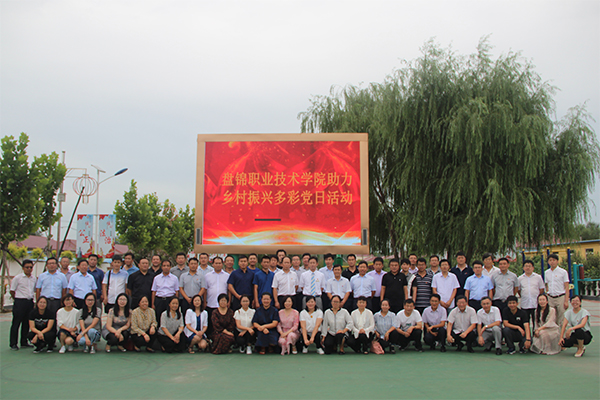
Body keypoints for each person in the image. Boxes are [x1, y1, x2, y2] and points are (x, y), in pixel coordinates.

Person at [9, 259, 36, 350]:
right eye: (27, 267)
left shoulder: (33, 278)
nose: (29, 269)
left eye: (30, 267)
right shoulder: (18, 278)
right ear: (23, 268)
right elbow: (12, 291)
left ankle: (24, 342)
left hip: (29, 302)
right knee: (16, 323)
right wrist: (17, 299)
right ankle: (13, 343)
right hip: (20, 302)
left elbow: (34, 290)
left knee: (27, 323)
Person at [545, 254, 570, 325]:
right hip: (550, 298)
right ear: (548, 262)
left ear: (557, 261)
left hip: (560, 297)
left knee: (561, 318)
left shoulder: (563, 272)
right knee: (551, 318)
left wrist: (566, 301)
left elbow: (567, 287)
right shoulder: (546, 272)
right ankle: (554, 332)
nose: (552, 262)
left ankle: (562, 332)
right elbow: (547, 285)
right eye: (550, 260)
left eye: (554, 260)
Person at [518, 259, 546, 325]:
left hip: (535, 303)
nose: (528, 268)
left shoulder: (538, 277)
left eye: (529, 266)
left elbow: (541, 289)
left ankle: (535, 331)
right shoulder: (520, 278)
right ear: (523, 268)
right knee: (525, 322)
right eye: (526, 266)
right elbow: (519, 290)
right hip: (525, 303)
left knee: (536, 321)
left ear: (533, 268)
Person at [205, 257, 230, 325]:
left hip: (223, 304)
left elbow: (229, 290)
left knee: (222, 324)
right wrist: (204, 301)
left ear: (222, 264)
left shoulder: (227, 275)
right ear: (212, 264)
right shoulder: (207, 276)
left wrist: (229, 301)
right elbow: (205, 290)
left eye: (219, 263)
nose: (218, 265)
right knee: (211, 324)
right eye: (216, 263)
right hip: (211, 303)